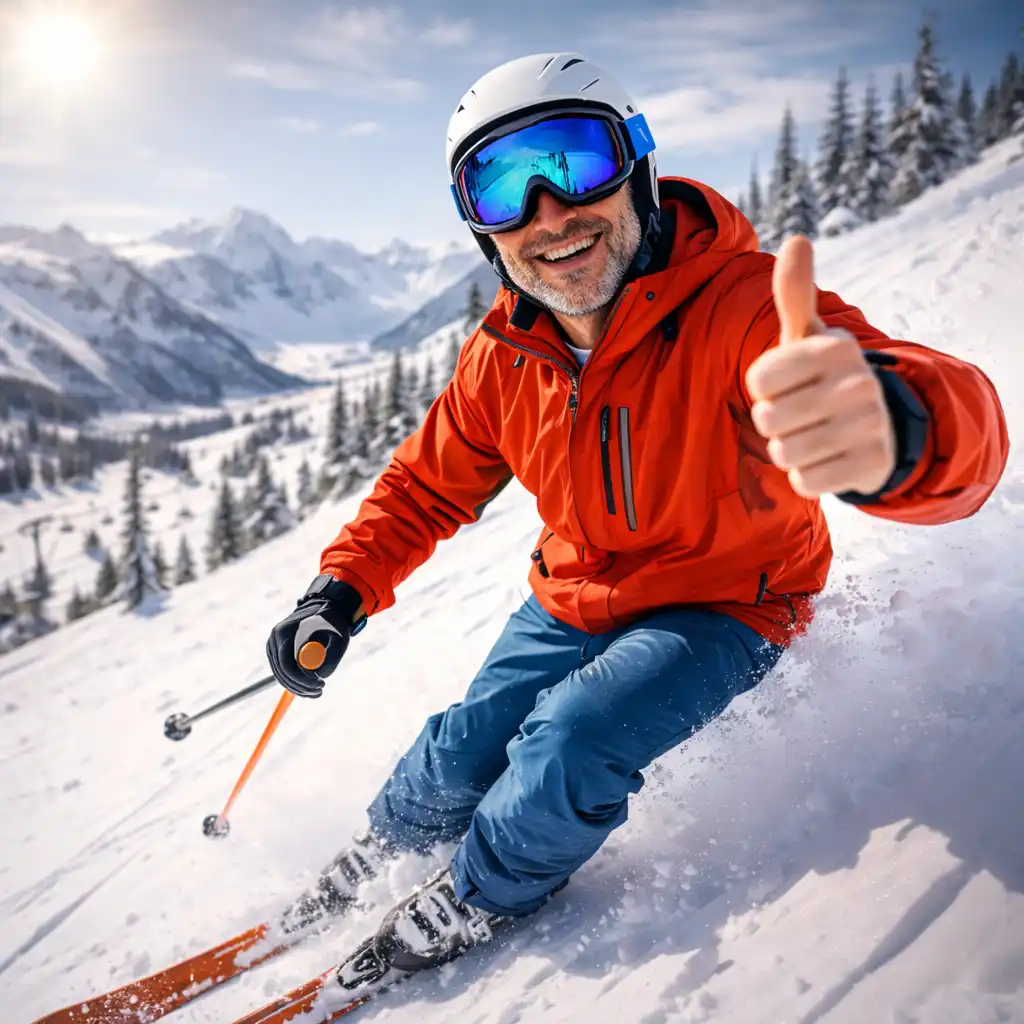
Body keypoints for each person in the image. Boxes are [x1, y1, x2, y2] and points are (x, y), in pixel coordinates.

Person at [266, 53, 1008, 977]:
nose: (548, 212)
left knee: (566, 743)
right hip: (574, 595)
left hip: (729, 601)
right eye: (501, 187)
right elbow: (424, 486)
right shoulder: (506, 353)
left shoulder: (744, 308)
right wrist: (339, 589)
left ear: (638, 167)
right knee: (459, 747)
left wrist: (898, 424)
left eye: (574, 161)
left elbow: (934, 405)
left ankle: (482, 891)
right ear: (479, 228)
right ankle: (385, 847)